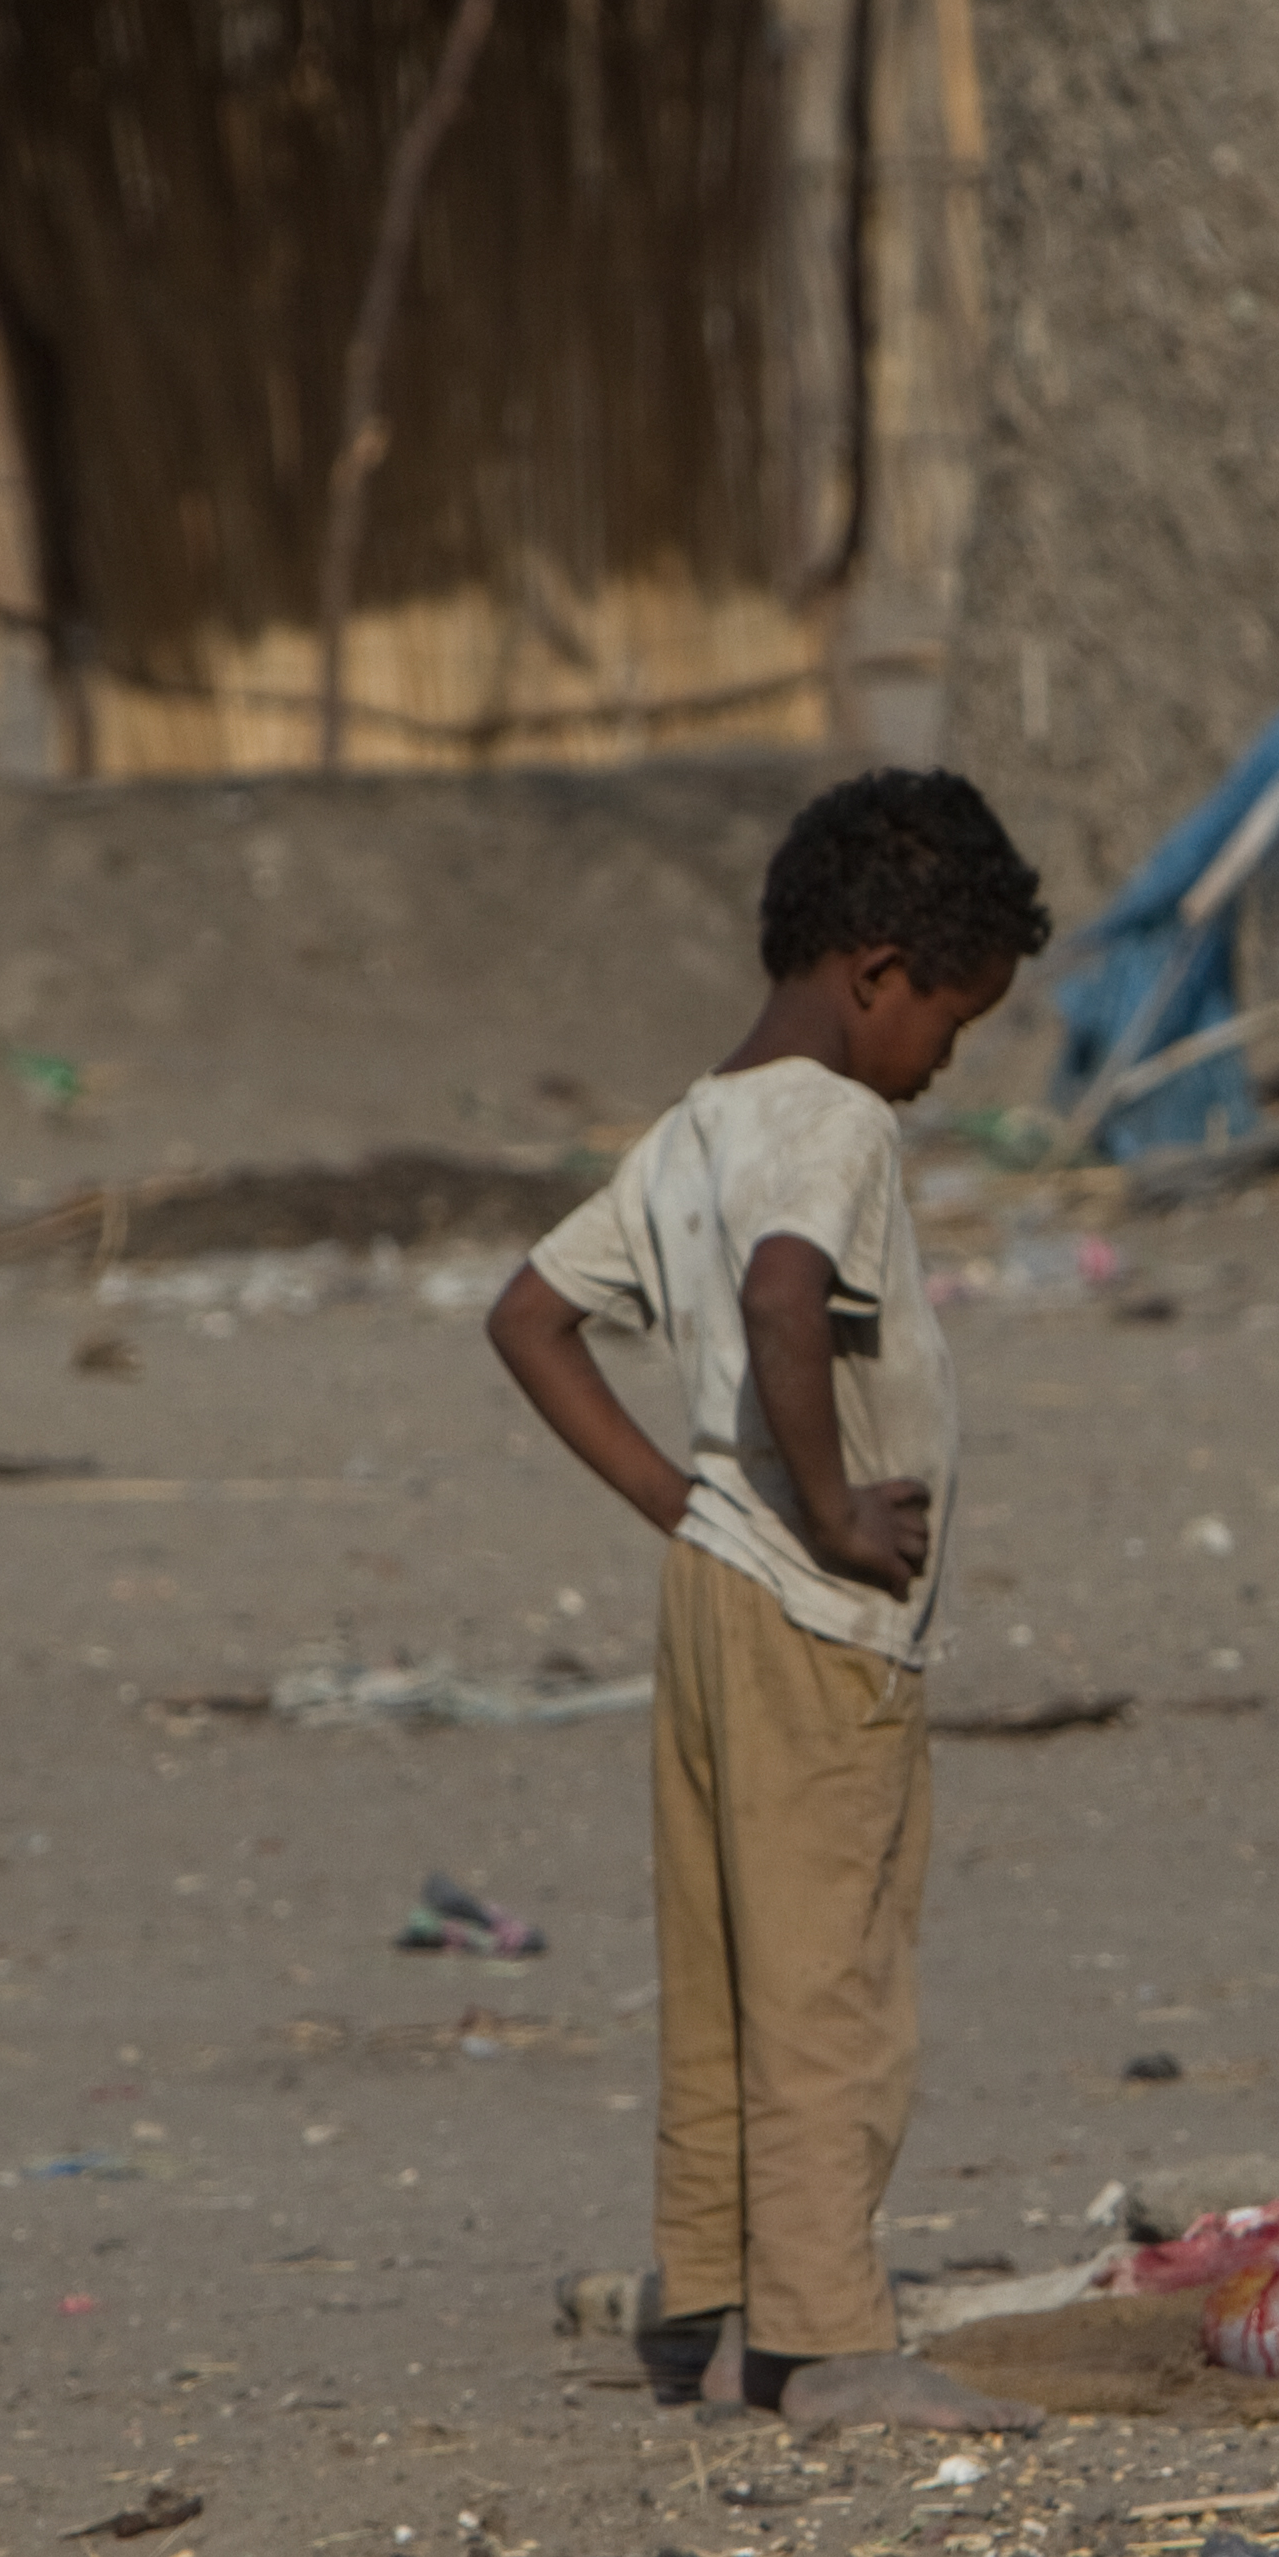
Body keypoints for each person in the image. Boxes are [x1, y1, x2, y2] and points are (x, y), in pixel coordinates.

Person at [487, 769, 1054, 2433]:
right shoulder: (833, 1120)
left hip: (708, 1599)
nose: (941, 1065)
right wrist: (823, 1507)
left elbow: (529, 1317)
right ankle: (825, 2341)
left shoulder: (692, 1128)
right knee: (831, 1980)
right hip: (815, 1621)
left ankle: (721, 2309)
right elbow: (783, 1293)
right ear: (878, 974)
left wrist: (683, 1500)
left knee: (728, 1969)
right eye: (949, 1022)